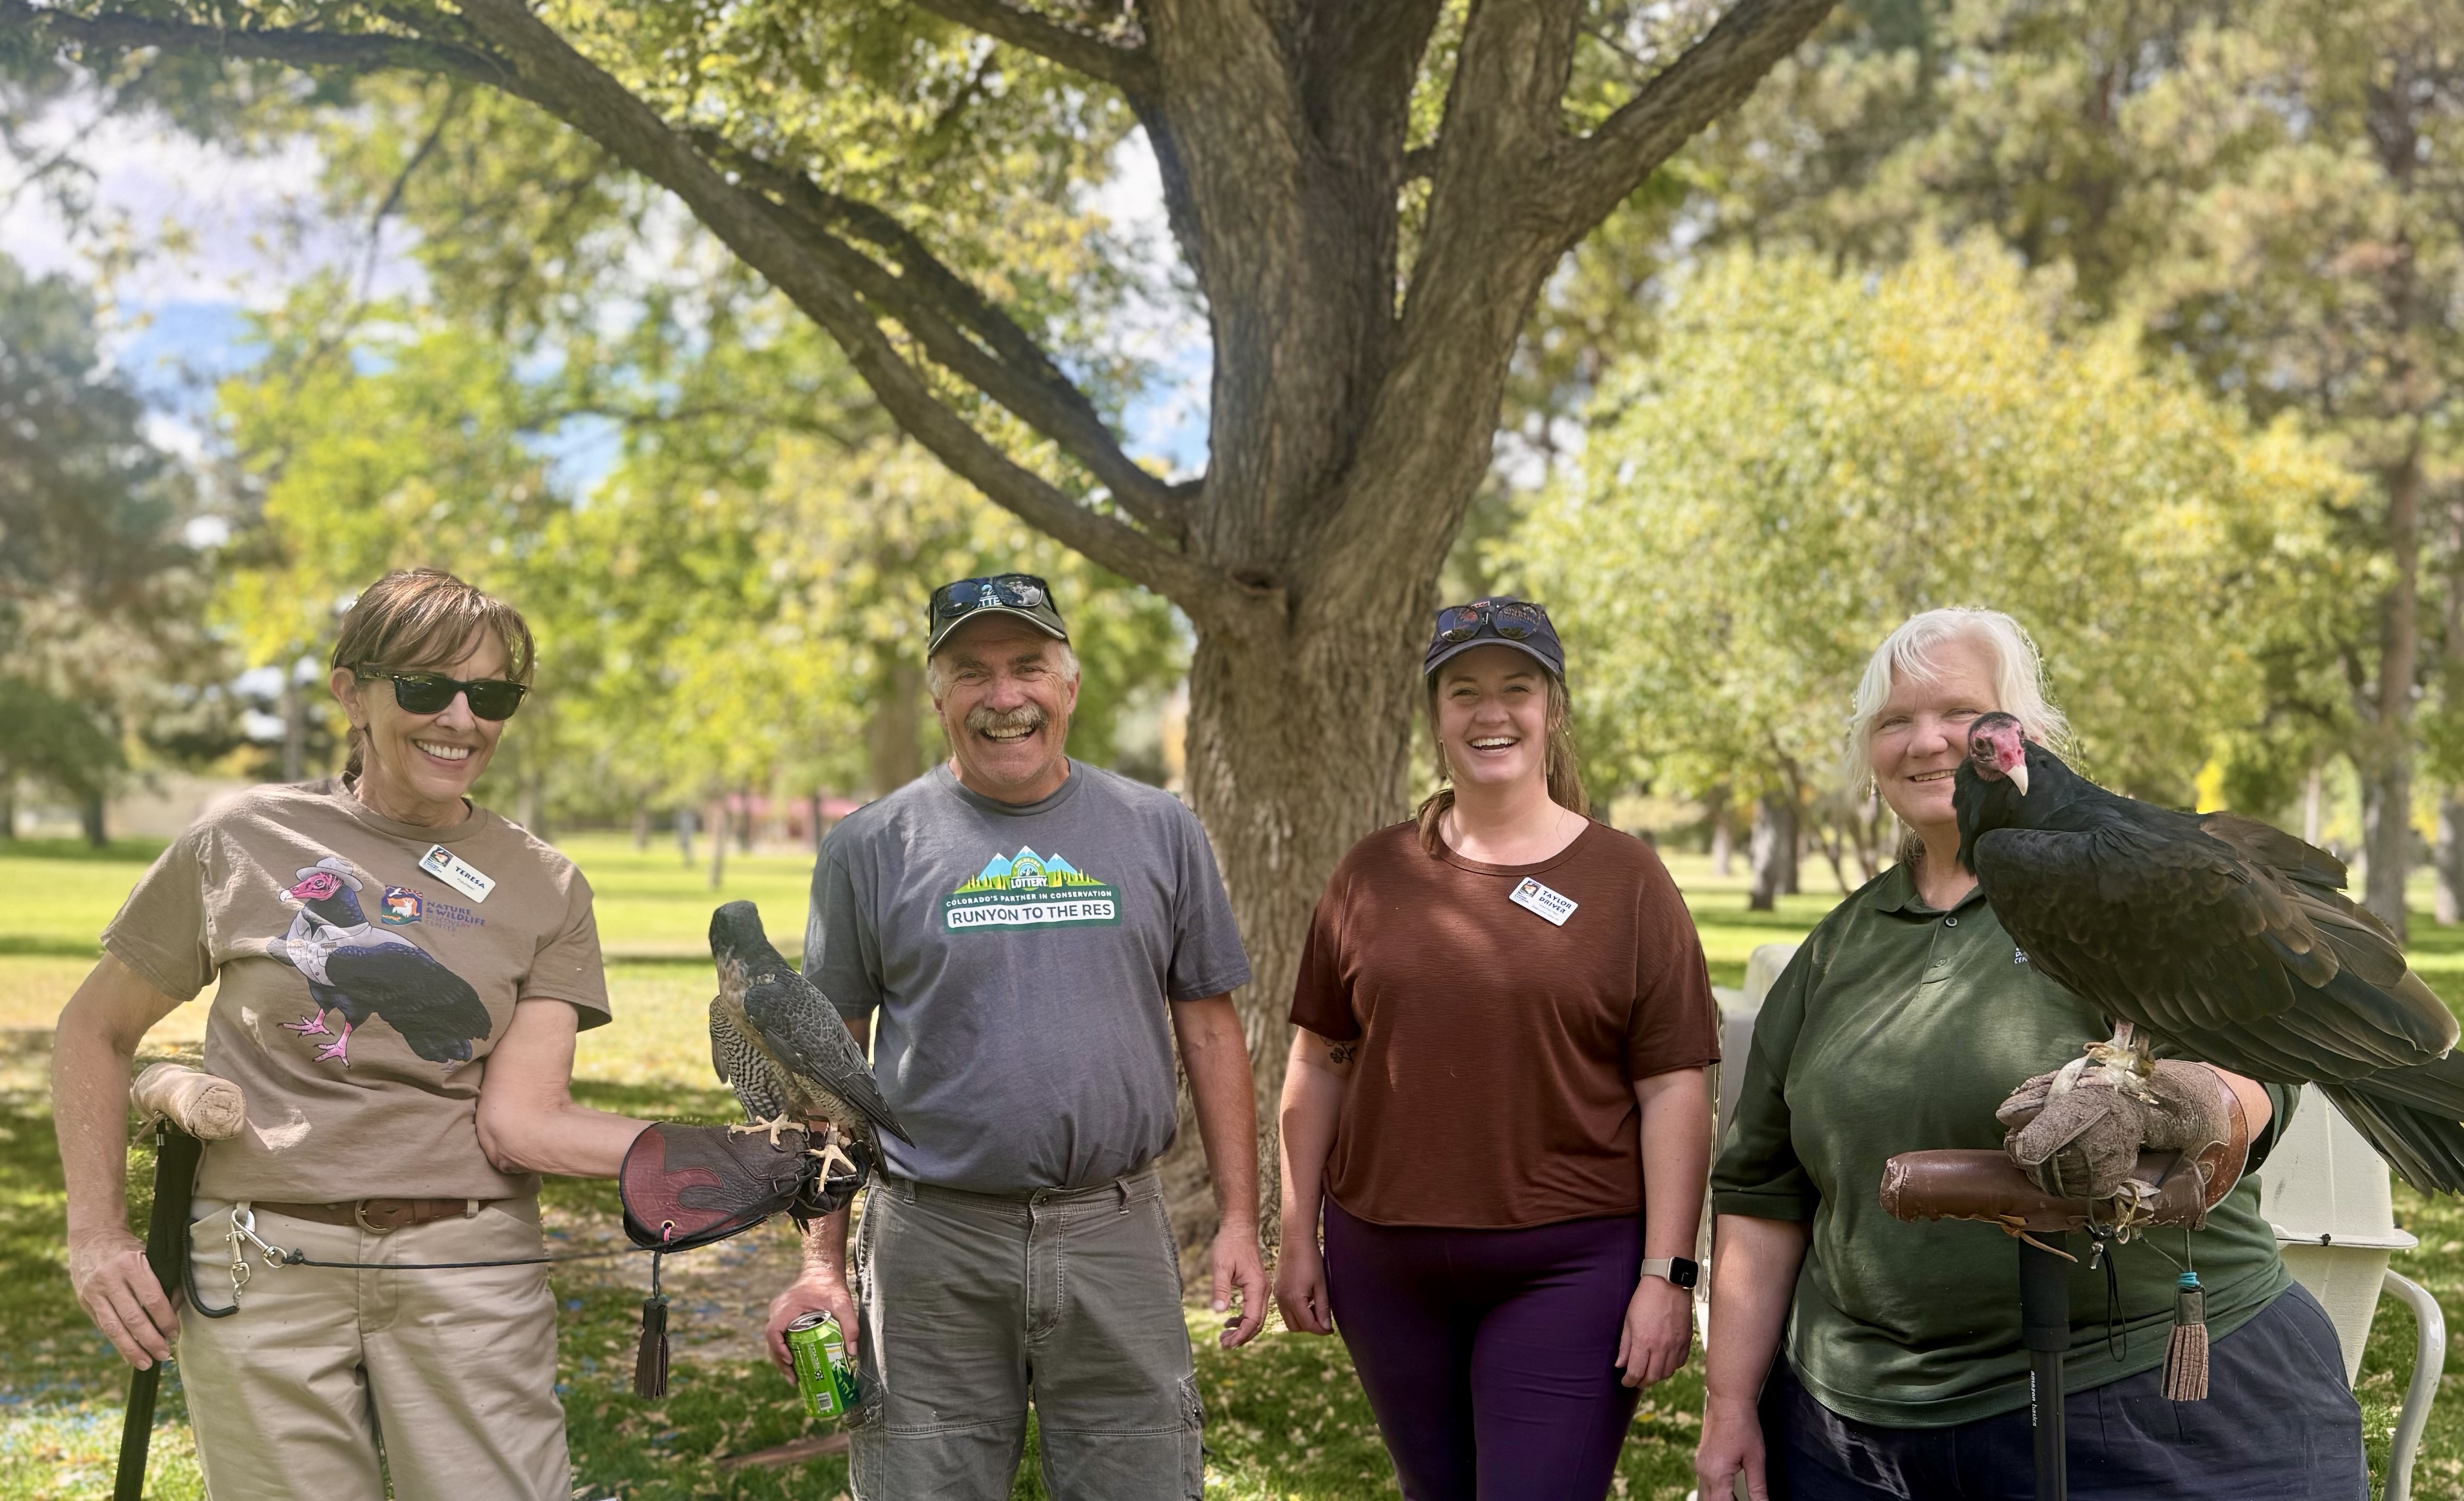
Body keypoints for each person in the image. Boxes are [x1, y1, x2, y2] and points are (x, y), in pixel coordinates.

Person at [1696, 606, 2365, 1500]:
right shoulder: (1836, 949)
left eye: (1961, 715)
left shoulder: (2124, 876)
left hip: (2136, 1407)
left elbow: (2265, 1070)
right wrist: (1730, 1400)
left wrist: (2200, 1103)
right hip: (1855, 1436)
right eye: (1895, 720)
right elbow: (1762, 1191)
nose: (1928, 741)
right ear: (1870, 756)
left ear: (2026, 735)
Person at [54, 568, 659, 1501]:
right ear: (352, 693)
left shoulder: (545, 883)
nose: (462, 717)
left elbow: (524, 1120)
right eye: (426, 688)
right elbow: (95, 1029)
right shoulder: (244, 838)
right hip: (262, 1267)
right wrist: (97, 1233)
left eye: (491, 694)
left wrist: (701, 1157)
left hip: (469, 1269)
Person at [763, 571, 1265, 1500]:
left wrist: (1240, 1219)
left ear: (1068, 684)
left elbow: (1210, 1030)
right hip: (932, 1244)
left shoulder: (1162, 829)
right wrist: (820, 1264)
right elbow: (826, 1071)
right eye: (972, 672)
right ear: (938, 692)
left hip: (1115, 1231)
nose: (1004, 697)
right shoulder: (869, 847)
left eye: (1028, 665)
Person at [1274, 597, 1721, 1501]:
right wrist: (1295, 1234)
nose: (1491, 712)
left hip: (1570, 1264)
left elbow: (1676, 1087)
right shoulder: (1372, 872)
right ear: (1435, 716)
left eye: (1516, 688)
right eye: (1464, 691)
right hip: (1384, 1264)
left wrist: (1668, 1273)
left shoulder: (1628, 879)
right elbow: (1318, 1060)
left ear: (1552, 709)